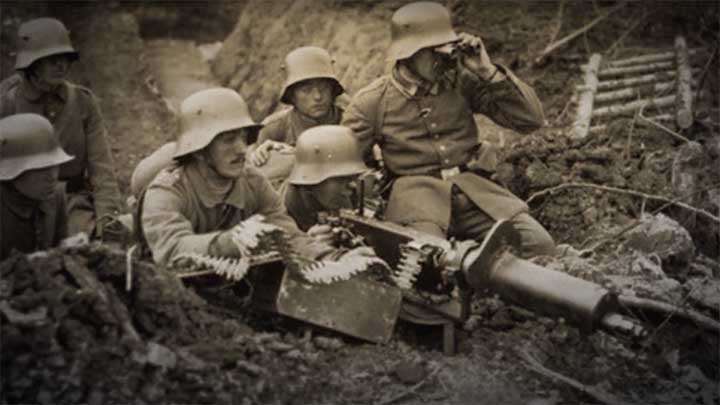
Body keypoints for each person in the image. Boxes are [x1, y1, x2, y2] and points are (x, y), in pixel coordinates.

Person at [341, 1, 555, 259]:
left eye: (445, 49)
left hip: (475, 194)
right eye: (432, 51)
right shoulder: (372, 102)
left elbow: (530, 120)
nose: (443, 60)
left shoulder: (462, 82)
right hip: (417, 205)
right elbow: (345, 162)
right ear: (408, 54)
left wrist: (487, 71)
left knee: (539, 246)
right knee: (424, 265)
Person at [141, 87, 372, 267]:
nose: (242, 148)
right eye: (228, 139)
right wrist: (234, 241)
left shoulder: (253, 182)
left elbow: (288, 236)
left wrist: (337, 258)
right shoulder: (168, 191)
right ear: (200, 150)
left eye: (243, 137)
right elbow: (171, 250)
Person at [0, 18, 124, 238]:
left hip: (70, 202)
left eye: (65, 58)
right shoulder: (7, 103)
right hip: (19, 206)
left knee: (90, 245)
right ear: (31, 63)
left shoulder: (83, 102)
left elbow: (101, 167)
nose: (61, 65)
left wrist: (109, 219)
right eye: (51, 59)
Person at [248, 46, 347, 186]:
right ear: (292, 96)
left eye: (323, 87)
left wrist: (297, 154)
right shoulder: (273, 128)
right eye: (306, 90)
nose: (317, 97)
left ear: (332, 90)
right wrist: (261, 156)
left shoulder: (350, 121)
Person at [0, 113, 74, 259]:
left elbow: (57, 250)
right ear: (12, 172)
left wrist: (66, 249)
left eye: (54, 164)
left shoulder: (55, 195)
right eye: (41, 168)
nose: (52, 176)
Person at [283, 125, 369, 233]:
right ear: (309, 184)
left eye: (355, 176)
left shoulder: (347, 195)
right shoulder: (276, 211)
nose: (353, 185)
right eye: (342, 178)